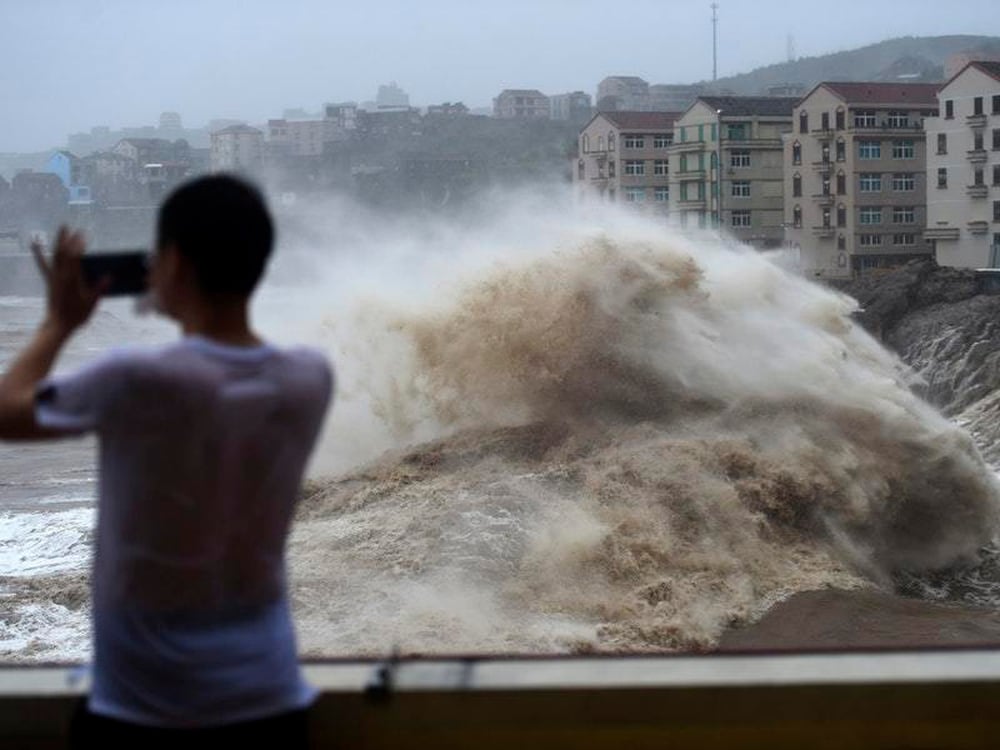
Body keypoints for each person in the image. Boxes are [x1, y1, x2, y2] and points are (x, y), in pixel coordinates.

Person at [0, 175, 333, 746]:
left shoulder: (135, 379)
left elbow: (7, 413)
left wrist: (59, 322)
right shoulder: (308, 378)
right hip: (271, 703)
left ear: (174, 261)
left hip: (145, 712)